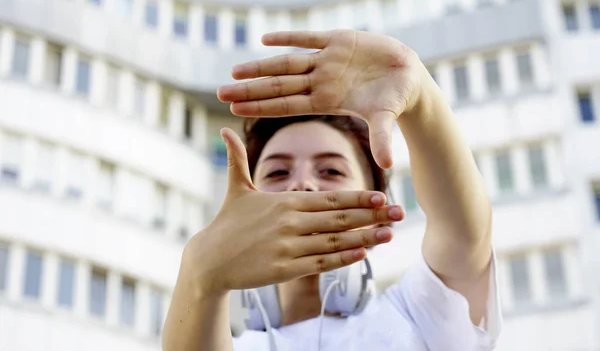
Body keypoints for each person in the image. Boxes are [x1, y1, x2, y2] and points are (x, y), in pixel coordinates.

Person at [162, 30, 502, 351]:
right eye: (278, 172)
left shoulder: (418, 319)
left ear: (376, 211)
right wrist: (200, 273)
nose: (302, 185)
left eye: (331, 170)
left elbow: (464, 233)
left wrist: (421, 96)